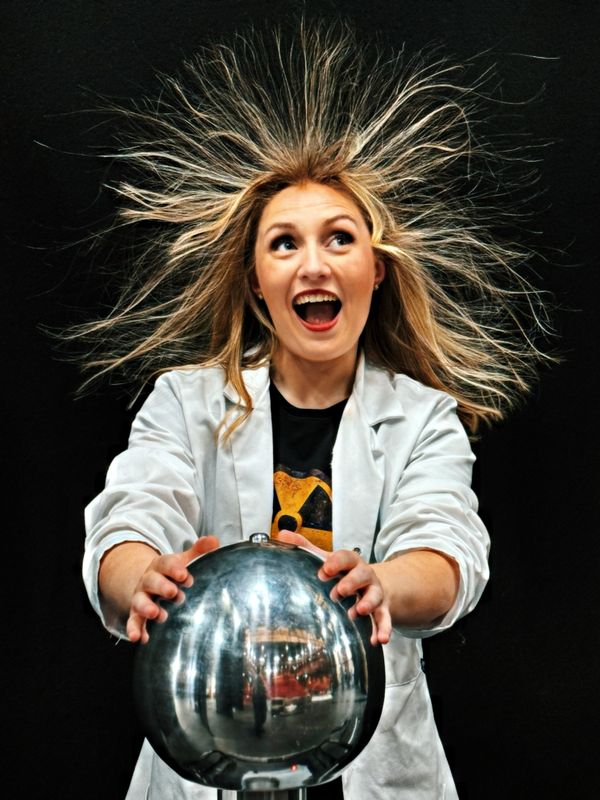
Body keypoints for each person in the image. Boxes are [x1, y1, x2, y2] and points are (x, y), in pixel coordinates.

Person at [80, 20, 548, 800]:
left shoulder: (423, 417)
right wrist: (140, 577)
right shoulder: (188, 401)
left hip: (373, 762)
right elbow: (128, 516)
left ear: (376, 272)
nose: (314, 262)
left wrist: (382, 588)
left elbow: (447, 548)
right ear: (258, 282)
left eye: (339, 238)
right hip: (207, 751)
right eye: (283, 244)